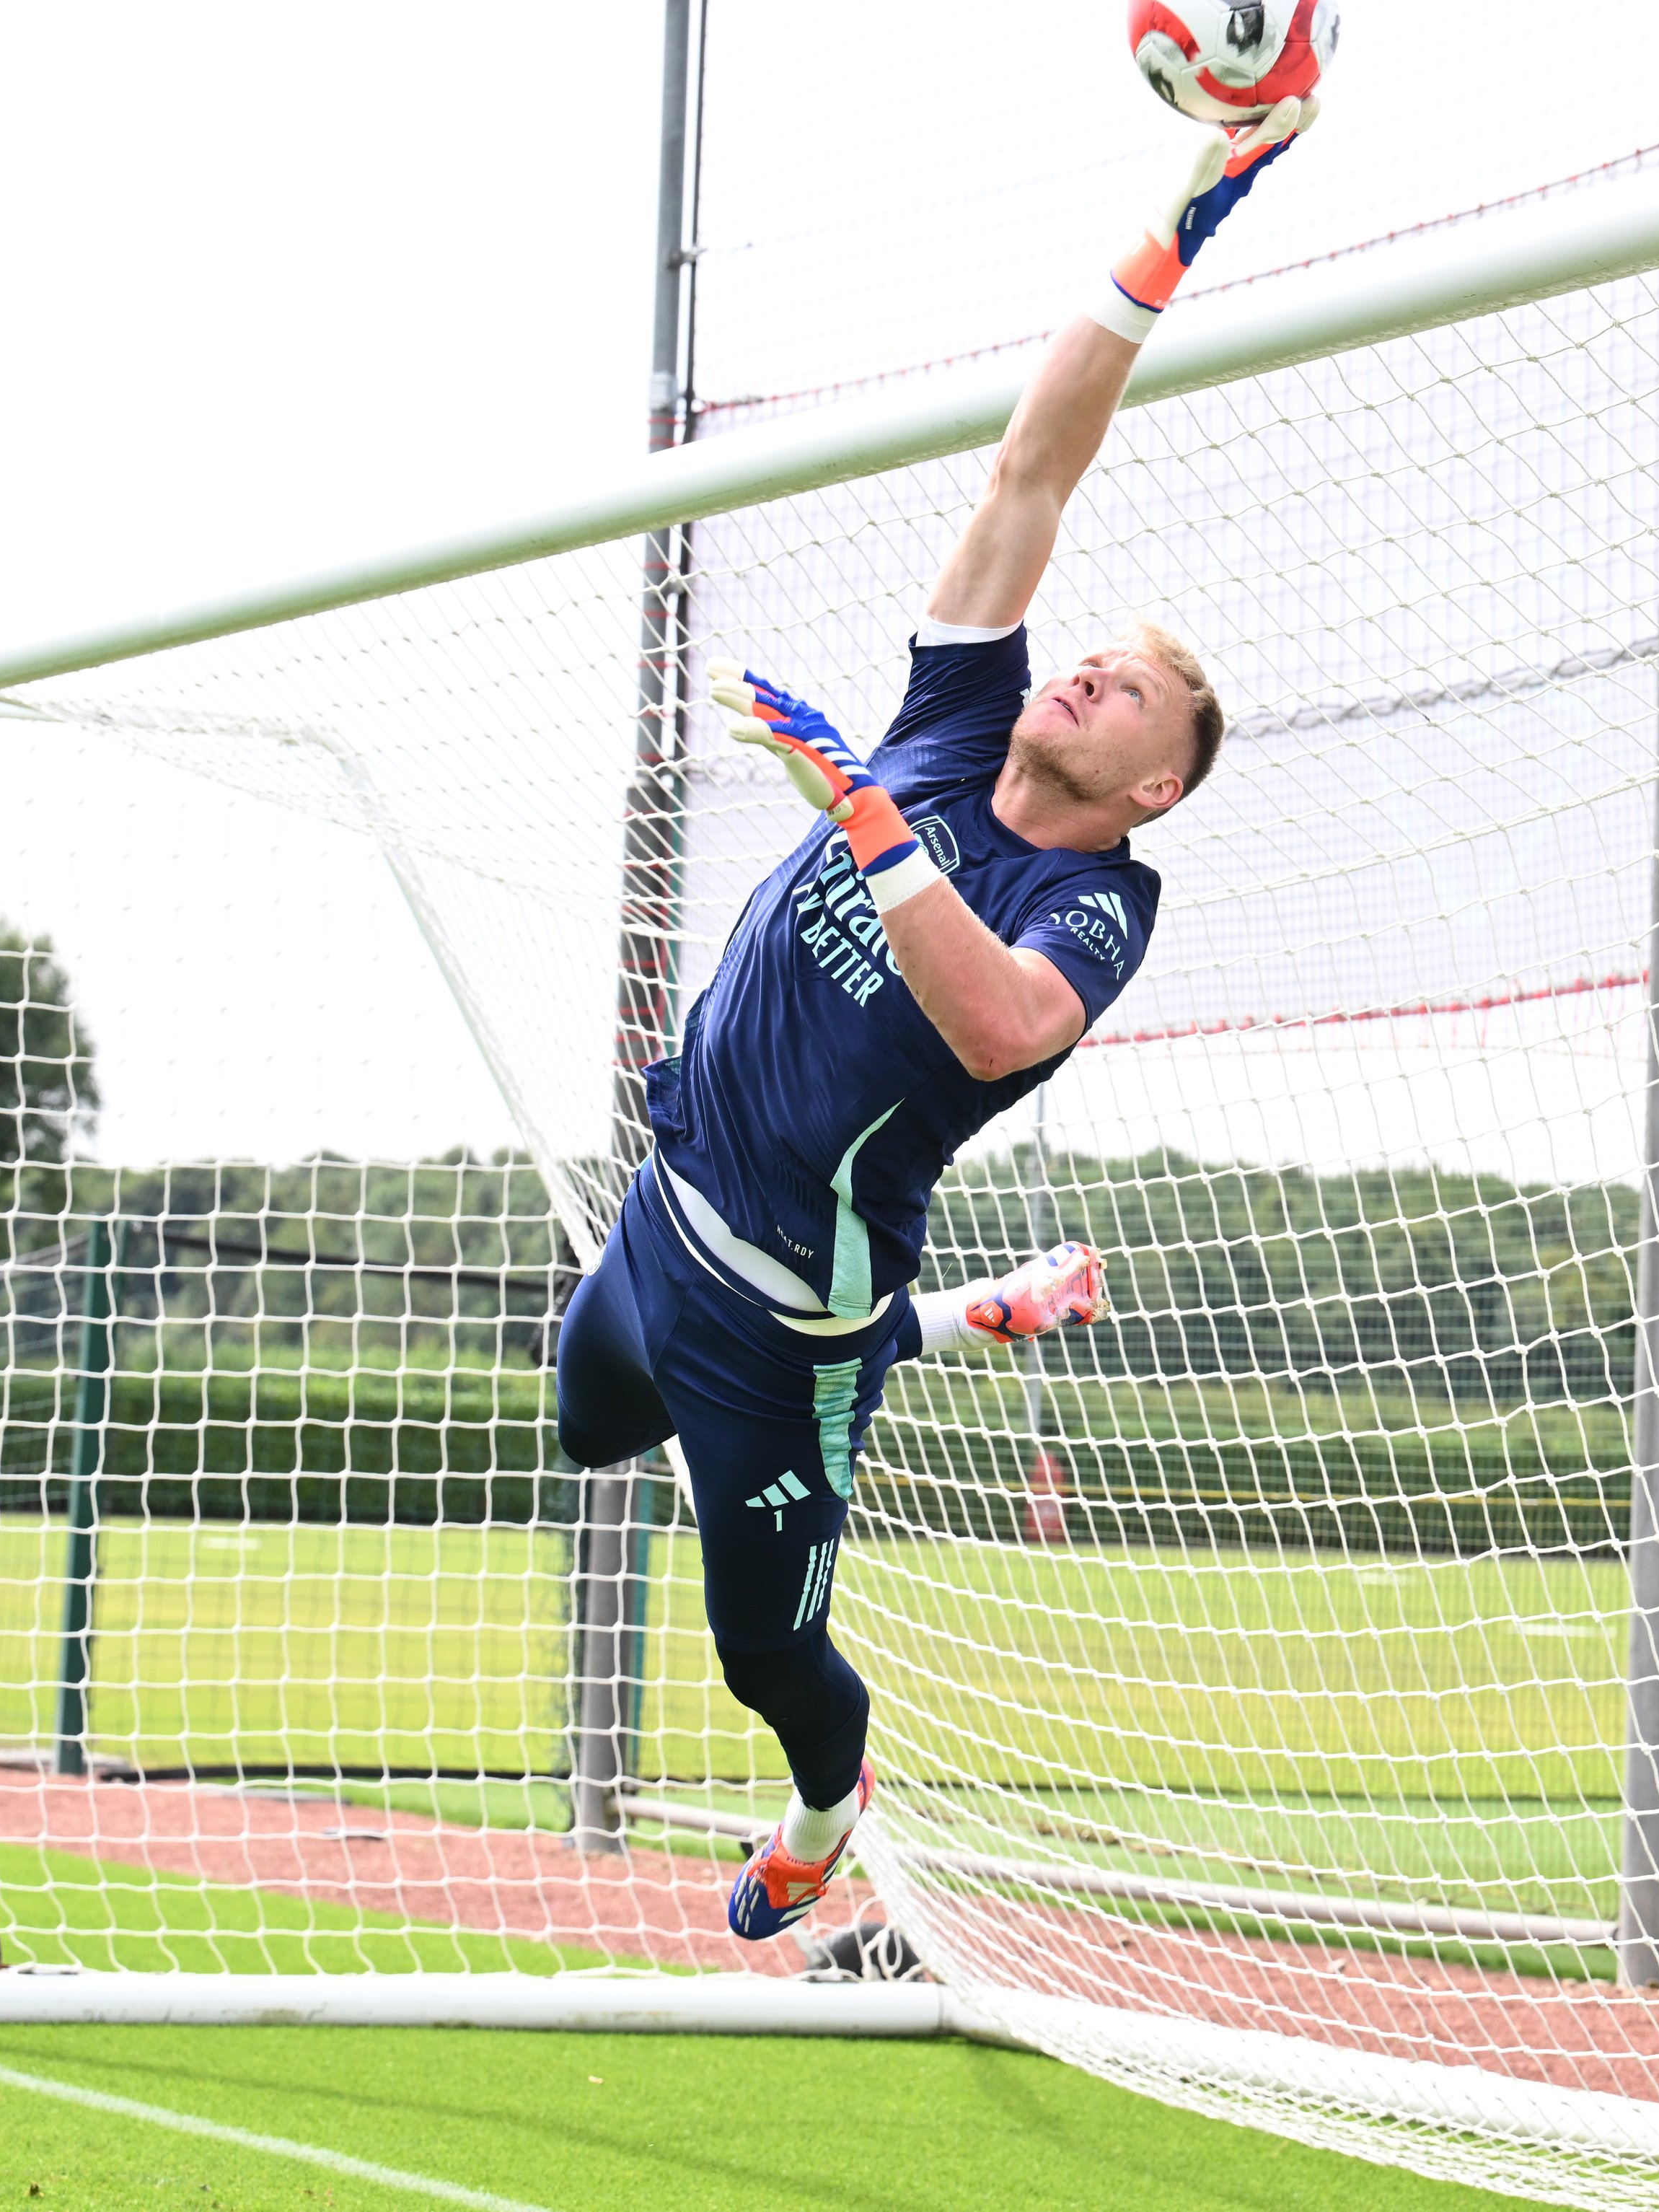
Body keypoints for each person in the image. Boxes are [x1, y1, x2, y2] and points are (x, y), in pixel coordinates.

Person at [553, 96, 1316, 1940]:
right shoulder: (964, 724)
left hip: (774, 1321)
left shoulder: (1098, 898)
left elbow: (992, 1028)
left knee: (765, 1658)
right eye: (1093, 653)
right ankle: (962, 1315)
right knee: (578, 1424)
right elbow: (1030, 477)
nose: (1089, 665)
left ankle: (831, 1802)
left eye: (1130, 690)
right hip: (663, 1218)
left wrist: (868, 823)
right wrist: (1182, 214)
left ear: (1151, 787)